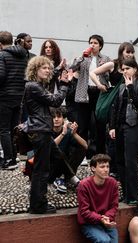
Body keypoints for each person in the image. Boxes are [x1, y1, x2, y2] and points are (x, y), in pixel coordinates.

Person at [24, 56, 70, 213]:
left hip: (41, 130)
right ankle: (38, 205)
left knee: (57, 158)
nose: (48, 70)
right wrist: (64, 84)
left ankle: (41, 195)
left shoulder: (36, 85)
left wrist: (57, 69)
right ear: (35, 70)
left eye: (49, 68)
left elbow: (49, 82)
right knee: (41, 169)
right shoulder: (33, 86)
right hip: (40, 131)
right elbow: (56, 100)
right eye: (44, 68)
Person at [90, 42, 136, 176]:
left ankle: (120, 166)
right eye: (128, 52)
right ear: (121, 52)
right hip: (112, 102)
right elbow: (93, 73)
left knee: (121, 134)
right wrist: (99, 85)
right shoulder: (113, 64)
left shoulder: (133, 67)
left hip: (125, 102)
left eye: (132, 52)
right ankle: (112, 167)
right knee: (112, 134)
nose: (130, 54)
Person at [109, 59, 138, 205]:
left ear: (134, 69)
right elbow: (115, 107)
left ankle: (135, 196)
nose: (124, 71)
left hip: (133, 126)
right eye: (123, 69)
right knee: (120, 161)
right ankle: (126, 195)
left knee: (131, 162)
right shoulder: (120, 87)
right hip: (120, 127)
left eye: (127, 68)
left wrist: (130, 86)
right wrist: (112, 126)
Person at [72, 34, 110, 156]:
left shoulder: (105, 58)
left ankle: (100, 153)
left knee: (100, 124)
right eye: (91, 42)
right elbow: (72, 68)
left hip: (100, 92)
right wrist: (81, 58)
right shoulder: (83, 58)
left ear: (100, 46)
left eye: (95, 43)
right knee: (83, 125)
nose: (92, 45)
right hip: (85, 92)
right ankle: (82, 154)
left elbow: (109, 75)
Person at [0, 31, 28, 170]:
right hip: (19, 96)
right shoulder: (24, 55)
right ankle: (13, 157)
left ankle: (8, 160)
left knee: (4, 130)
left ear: (0, 44)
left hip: (4, 97)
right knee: (12, 129)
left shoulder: (2, 55)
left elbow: (1, 76)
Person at [77, 154, 119, 243]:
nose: (106, 169)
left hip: (106, 220)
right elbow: (84, 211)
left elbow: (114, 206)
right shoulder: (84, 185)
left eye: (107, 166)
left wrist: (107, 218)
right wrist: (101, 219)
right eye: (102, 167)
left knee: (113, 241)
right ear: (93, 168)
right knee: (104, 240)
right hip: (89, 223)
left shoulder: (113, 183)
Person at [49, 107, 86, 192]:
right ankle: (70, 177)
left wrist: (75, 134)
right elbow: (49, 147)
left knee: (81, 147)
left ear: (63, 119)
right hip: (50, 166)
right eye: (53, 117)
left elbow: (85, 146)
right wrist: (62, 134)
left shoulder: (67, 131)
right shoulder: (47, 131)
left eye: (59, 117)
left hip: (65, 165)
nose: (56, 119)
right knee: (57, 152)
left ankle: (66, 177)